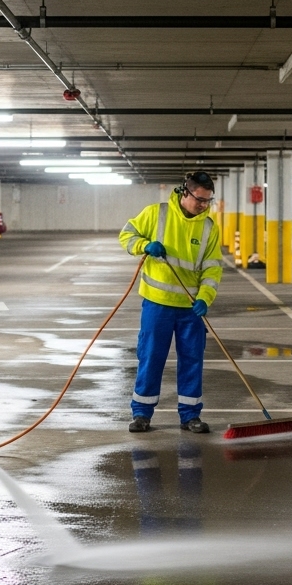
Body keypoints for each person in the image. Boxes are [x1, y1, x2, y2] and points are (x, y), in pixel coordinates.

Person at [118, 171, 223, 433]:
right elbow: (126, 236)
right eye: (199, 199)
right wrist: (145, 245)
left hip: (190, 308)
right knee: (151, 357)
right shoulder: (156, 213)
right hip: (158, 304)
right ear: (185, 193)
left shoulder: (209, 227)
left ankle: (190, 416)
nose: (203, 205)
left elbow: (212, 268)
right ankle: (142, 413)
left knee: (192, 359)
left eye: (208, 201)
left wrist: (205, 298)